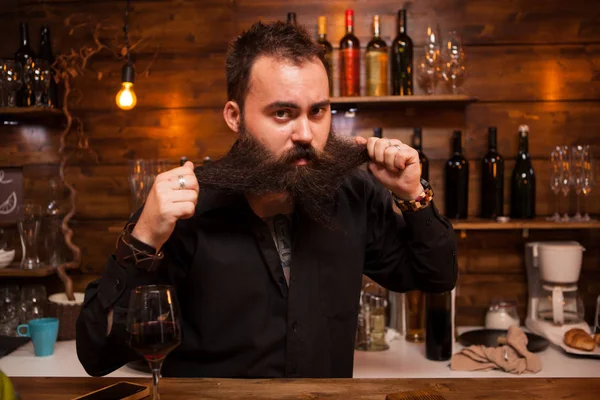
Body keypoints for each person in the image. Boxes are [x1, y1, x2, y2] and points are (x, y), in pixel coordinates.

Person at [76, 21, 457, 378]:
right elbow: (97, 353)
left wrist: (413, 194)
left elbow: (435, 276)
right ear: (234, 116)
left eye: (318, 111)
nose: (306, 133)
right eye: (282, 113)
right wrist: (143, 238)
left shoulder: (355, 194)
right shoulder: (182, 210)